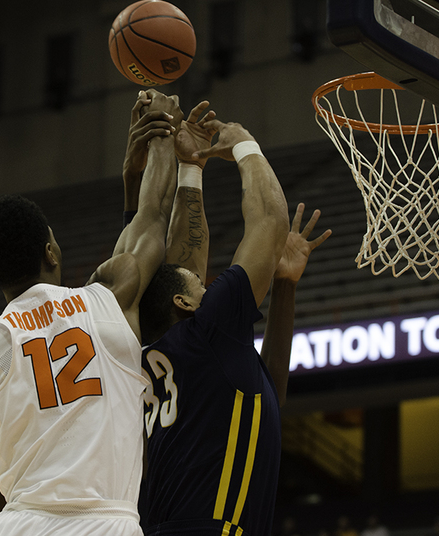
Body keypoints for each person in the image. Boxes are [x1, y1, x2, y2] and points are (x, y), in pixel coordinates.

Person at [0, 89, 190, 536]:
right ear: (50, 251)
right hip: (104, 524)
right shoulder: (109, 298)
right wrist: (162, 132)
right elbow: (155, 214)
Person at [134, 111, 330, 536]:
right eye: (202, 287)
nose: (210, 285)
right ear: (184, 304)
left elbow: (268, 392)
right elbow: (271, 219)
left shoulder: (162, 355)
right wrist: (243, 142)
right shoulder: (205, 333)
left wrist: (285, 286)